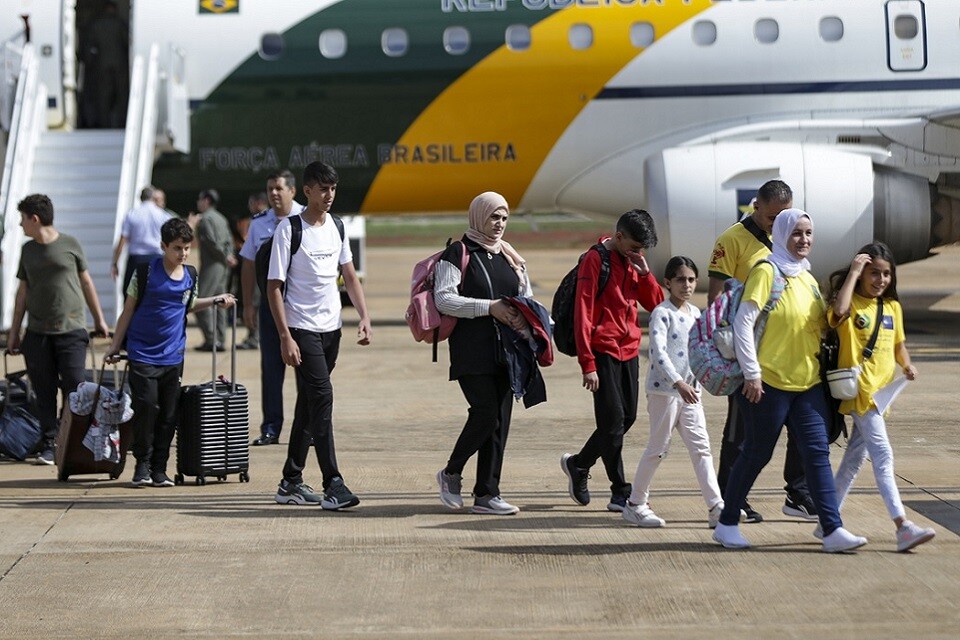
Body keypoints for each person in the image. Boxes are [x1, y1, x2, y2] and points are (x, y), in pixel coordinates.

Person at [712, 208, 868, 552]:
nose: (804, 240)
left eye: (809, 233)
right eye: (797, 233)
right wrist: (751, 374)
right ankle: (726, 524)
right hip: (768, 383)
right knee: (756, 453)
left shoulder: (808, 278)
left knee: (816, 454)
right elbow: (742, 323)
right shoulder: (767, 270)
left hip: (807, 384)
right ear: (782, 235)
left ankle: (832, 530)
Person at [707, 180, 815, 523]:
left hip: (787, 352)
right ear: (756, 207)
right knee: (741, 432)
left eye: (785, 215)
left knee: (801, 428)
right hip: (749, 353)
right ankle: (730, 499)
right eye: (772, 217)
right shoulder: (732, 240)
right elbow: (716, 301)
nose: (779, 223)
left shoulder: (791, 240)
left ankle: (797, 493)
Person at [267, 161, 371, 509]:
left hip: (332, 329)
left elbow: (350, 276)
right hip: (302, 328)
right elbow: (274, 287)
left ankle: (291, 481)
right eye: (322, 189)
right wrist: (285, 336)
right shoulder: (289, 230)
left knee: (310, 404)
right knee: (323, 398)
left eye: (333, 189)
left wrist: (364, 316)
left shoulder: (337, 226)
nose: (329, 195)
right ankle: (333, 484)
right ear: (307, 190)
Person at [104, 218, 236, 487]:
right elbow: (128, 311)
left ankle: (159, 469)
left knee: (168, 414)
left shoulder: (190, 275)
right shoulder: (145, 273)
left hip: (173, 355)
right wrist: (115, 346)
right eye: (177, 248)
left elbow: (187, 305)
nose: (183, 254)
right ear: (163, 246)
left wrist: (215, 300)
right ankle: (142, 464)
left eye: (187, 248)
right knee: (146, 408)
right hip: (142, 353)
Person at [825, 242, 935, 552]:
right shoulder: (852, 304)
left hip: (883, 396)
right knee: (883, 457)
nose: (881, 280)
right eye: (874, 273)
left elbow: (899, 345)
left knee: (853, 462)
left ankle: (826, 520)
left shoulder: (892, 307)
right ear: (861, 274)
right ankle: (902, 526)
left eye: (886, 274)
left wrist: (907, 365)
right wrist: (854, 272)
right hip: (862, 394)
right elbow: (838, 311)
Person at [434, 192, 534, 516]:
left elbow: (525, 297)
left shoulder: (511, 257)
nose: (499, 224)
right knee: (485, 411)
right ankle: (451, 472)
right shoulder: (458, 252)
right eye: (494, 217)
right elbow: (444, 299)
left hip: (507, 352)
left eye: (504, 218)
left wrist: (528, 321)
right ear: (479, 216)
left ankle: (487, 494)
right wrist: (488, 308)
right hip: (471, 351)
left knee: (500, 420)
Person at [561, 209, 664, 512]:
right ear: (618, 237)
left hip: (629, 349)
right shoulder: (596, 260)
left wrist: (644, 273)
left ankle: (579, 464)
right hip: (602, 349)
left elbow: (657, 305)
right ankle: (620, 490)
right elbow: (583, 313)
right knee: (613, 422)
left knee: (626, 418)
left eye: (642, 248)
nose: (638, 252)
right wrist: (587, 363)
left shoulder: (633, 261)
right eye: (633, 246)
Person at [6, 194, 111, 465]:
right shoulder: (28, 250)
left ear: (35, 218)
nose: (21, 225)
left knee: (75, 388)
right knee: (43, 391)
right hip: (38, 333)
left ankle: (73, 441)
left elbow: (86, 283)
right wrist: (15, 332)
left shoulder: (70, 244)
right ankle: (50, 442)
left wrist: (99, 320)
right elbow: (22, 293)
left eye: (23, 220)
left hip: (71, 330)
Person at [622, 257, 724, 528]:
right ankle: (635, 503)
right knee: (658, 449)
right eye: (680, 279)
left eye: (691, 279)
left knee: (702, 448)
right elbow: (657, 352)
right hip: (664, 392)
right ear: (667, 283)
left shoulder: (696, 315)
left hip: (691, 393)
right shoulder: (662, 313)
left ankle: (716, 507)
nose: (687, 285)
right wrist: (678, 382)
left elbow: (700, 352)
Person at [238, 171, 306, 446]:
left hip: (302, 307)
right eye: (270, 189)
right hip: (270, 308)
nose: (274, 194)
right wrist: (248, 305)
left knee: (307, 371)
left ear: (292, 191)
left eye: (279, 188)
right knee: (271, 369)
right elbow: (248, 265)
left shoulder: (306, 218)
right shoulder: (259, 224)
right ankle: (271, 428)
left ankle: (307, 429)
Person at [194, 189, 236, 351]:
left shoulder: (205, 219)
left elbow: (211, 243)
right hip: (223, 266)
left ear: (206, 200)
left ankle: (212, 339)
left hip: (212, 264)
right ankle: (221, 339)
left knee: (200, 302)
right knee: (221, 302)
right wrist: (229, 256)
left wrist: (224, 256)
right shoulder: (221, 218)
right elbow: (229, 240)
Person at [111, 186, 171, 298]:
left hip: (136, 259)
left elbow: (122, 240)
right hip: (156, 258)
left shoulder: (132, 214)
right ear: (153, 198)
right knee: (154, 294)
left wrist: (115, 262)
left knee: (131, 295)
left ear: (140, 198)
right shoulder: (163, 215)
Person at [79, 0, 128, 128]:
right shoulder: (120, 24)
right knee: (121, 95)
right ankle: (121, 123)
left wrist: (90, 63)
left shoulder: (96, 25)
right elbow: (127, 43)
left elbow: (89, 46)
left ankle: (104, 124)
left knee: (103, 96)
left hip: (102, 65)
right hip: (119, 65)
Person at [235, 192, 269, 350]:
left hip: (257, 270)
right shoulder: (261, 220)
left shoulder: (259, 222)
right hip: (258, 270)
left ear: (259, 203)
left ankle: (254, 336)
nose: (250, 206)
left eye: (252, 203)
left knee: (255, 304)